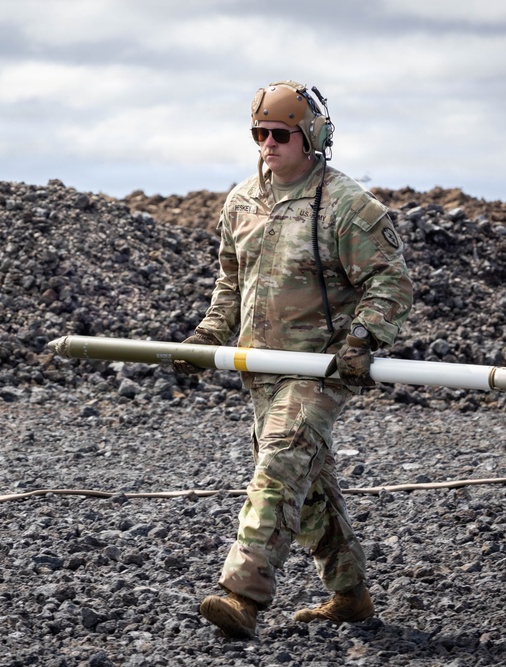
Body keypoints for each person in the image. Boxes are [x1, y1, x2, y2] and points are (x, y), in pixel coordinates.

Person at [175, 80, 414, 639]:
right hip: (260, 371)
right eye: (259, 133)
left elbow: (390, 284)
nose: (267, 144)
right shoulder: (241, 202)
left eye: (280, 134)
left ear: (312, 137)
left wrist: (362, 341)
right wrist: (205, 338)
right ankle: (350, 593)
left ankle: (242, 593)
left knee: (280, 465)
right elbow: (230, 286)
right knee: (309, 486)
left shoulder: (348, 207)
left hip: (321, 369)